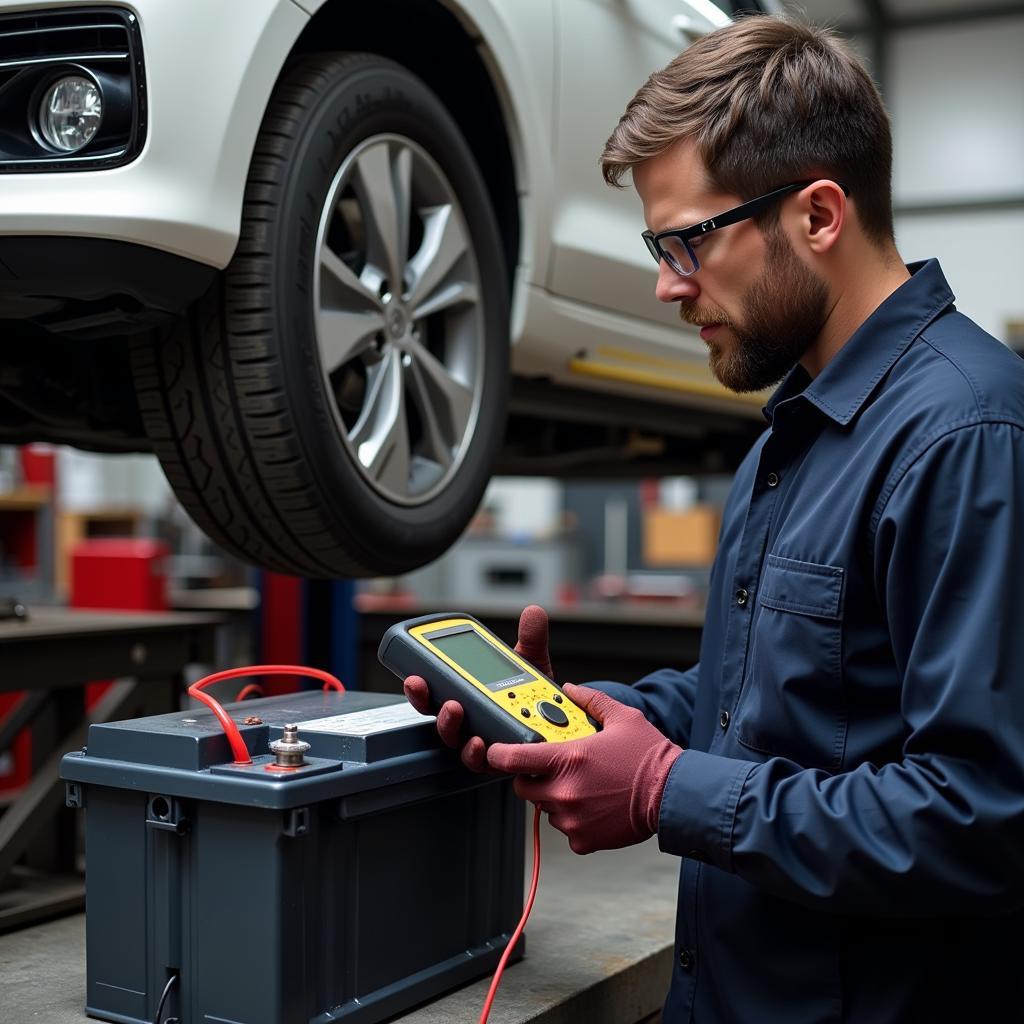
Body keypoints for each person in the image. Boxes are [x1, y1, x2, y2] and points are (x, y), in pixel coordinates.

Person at [404, 15, 1024, 1023]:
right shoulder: (794, 432)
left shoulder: (967, 435)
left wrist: (660, 789)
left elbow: (982, 816)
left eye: (688, 240)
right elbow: (788, 696)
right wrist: (621, 718)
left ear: (818, 214)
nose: (665, 284)